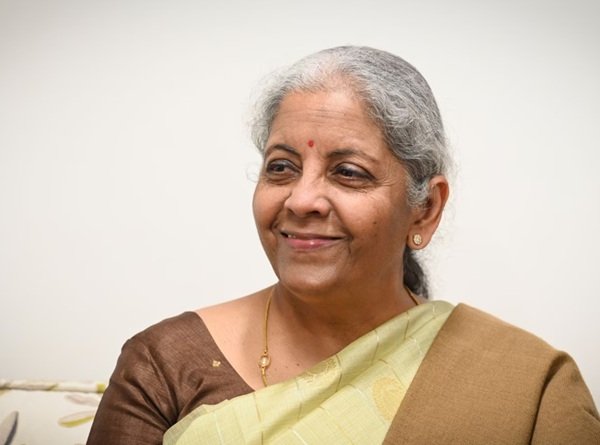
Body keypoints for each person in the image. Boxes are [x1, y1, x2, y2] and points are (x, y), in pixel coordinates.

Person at [87, 46, 600, 444]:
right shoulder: (166, 363)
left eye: (348, 172)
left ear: (425, 208)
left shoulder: (529, 385)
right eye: (281, 167)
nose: (302, 199)